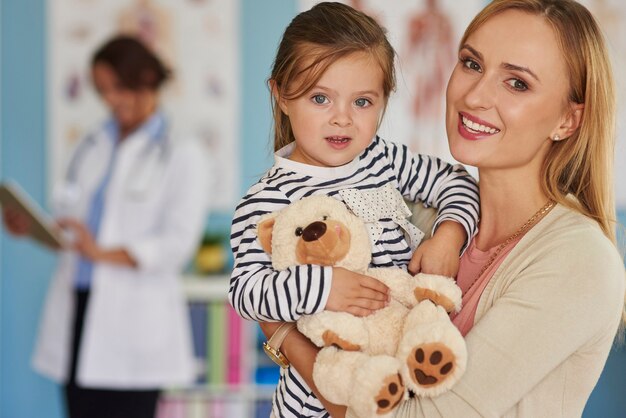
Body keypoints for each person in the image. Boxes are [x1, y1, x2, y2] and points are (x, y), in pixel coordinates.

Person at [252, 0, 625, 417]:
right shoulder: (411, 215)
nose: (476, 95)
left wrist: (283, 334)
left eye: (517, 83)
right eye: (471, 63)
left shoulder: (578, 260)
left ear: (568, 121)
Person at [229, 3, 480, 417]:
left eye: (362, 102)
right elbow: (245, 292)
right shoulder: (266, 199)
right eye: (320, 98)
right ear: (281, 96)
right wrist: (323, 286)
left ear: (384, 101)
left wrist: (450, 234)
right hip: (314, 404)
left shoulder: (383, 159)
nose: (342, 119)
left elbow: (456, 182)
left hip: (402, 376)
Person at [3, 35, 211, 418]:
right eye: (102, 91)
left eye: (117, 87)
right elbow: (75, 232)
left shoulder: (183, 152)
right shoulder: (93, 144)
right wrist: (36, 231)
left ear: (146, 77)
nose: (111, 99)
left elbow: (176, 244)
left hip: (132, 322)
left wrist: (100, 252)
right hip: (78, 311)